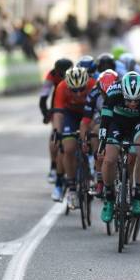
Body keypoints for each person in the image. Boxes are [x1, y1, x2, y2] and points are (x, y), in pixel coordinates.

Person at [98, 72, 140, 222]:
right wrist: (101, 144)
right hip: (117, 122)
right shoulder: (113, 91)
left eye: (136, 101)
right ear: (123, 93)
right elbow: (105, 121)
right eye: (129, 100)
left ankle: (138, 198)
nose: (132, 104)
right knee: (109, 159)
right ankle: (109, 199)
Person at [51, 67, 97, 204]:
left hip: (89, 114)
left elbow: (99, 111)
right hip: (70, 115)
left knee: (95, 136)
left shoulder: (93, 84)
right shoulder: (61, 87)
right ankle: (71, 188)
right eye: (74, 90)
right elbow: (58, 113)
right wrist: (57, 132)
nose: (78, 93)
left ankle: (94, 167)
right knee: (68, 148)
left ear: (86, 83)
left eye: (81, 89)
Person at [80, 69, 119, 197]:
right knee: (96, 130)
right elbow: (85, 120)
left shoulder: (123, 91)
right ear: (99, 89)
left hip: (118, 118)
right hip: (101, 118)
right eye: (103, 93)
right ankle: (100, 178)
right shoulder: (94, 94)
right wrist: (84, 140)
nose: (106, 96)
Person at [39, 58, 73, 183]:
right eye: (61, 73)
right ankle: (54, 166)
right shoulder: (52, 75)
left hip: (74, 104)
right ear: (56, 71)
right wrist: (46, 114)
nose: (64, 75)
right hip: (57, 105)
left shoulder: (76, 73)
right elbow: (43, 97)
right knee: (55, 135)